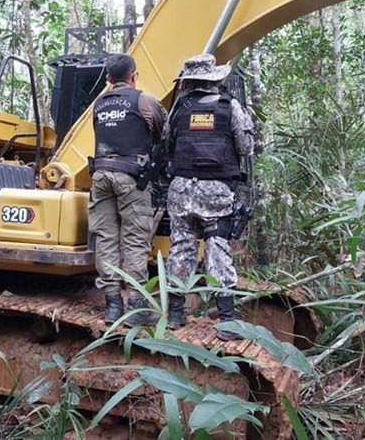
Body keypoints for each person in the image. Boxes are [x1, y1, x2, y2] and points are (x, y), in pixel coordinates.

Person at [163, 53, 255, 341]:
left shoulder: (179, 108)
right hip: (215, 192)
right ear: (214, 78)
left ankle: (175, 314)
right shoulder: (230, 106)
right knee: (217, 248)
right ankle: (227, 321)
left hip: (181, 190)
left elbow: (168, 143)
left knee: (181, 247)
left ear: (189, 81)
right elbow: (246, 147)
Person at [89, 53, 167, 326]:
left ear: (108, 78)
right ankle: (136, 305)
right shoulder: (144, 100)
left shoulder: (99, 104)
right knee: (134, 238)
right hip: (131, 176)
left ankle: (112, 306)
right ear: (134, 75)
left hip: (100, 176)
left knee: (106, 237)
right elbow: (162, 134)